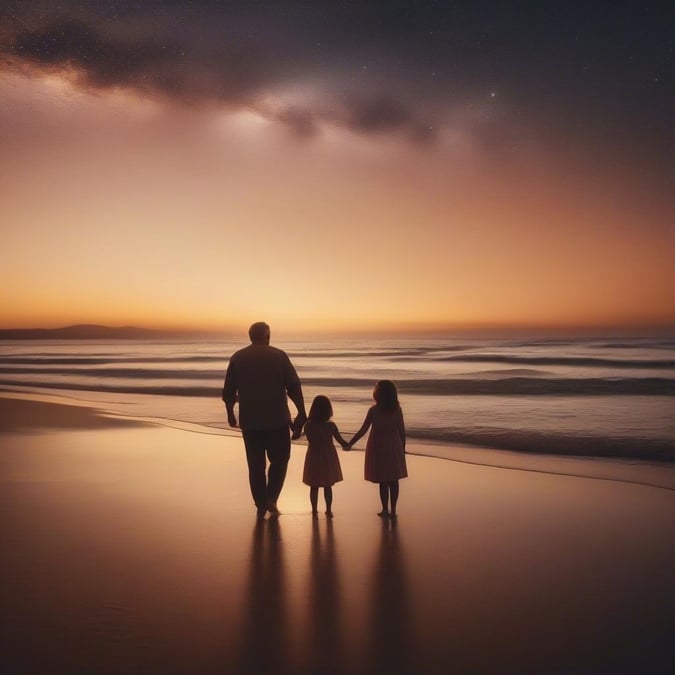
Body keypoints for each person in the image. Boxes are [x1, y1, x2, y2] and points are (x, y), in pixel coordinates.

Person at [222, 322, 307, 517]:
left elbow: (228, 391)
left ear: (250, 336)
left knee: (255, 464)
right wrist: (302, 411)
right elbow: (293, 386)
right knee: (280, 460)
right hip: (277, 419)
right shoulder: (278, 356)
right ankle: (271, 499)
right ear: (268, 336)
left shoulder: (238, 357)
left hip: (250, 421)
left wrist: (230, 413)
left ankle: (261, 504)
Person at [345, 380, 407, 518]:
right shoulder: (397, 409)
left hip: (379, 447)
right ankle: (393, 509)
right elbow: (402, 431)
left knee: (383, 481)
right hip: (394, 446)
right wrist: (402, 449)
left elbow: (363, 430)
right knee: (393, 480)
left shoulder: (374, 410)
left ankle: (385, 509)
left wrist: (350, 443)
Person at [300, 395, 349, 518]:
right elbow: (341, 441)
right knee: (328, 485)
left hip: (314, 455)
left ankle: (315, 510)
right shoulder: (331, 426)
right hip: (328, 456)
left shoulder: (308, 425)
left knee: (314, 485)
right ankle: (328, 510)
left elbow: (305, 437)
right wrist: (349, 444)